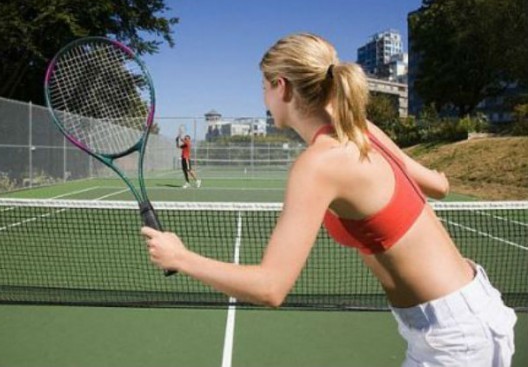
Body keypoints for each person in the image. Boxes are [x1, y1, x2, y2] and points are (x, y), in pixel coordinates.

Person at [143, 33, 516, 366]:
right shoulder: (361, 129)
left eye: (263, 86)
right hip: (474, 309)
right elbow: (438, 186)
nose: (263, 98)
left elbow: (271, 287)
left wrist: (181, 257)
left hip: (455, 342)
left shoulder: (318, 163)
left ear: (282, 87)